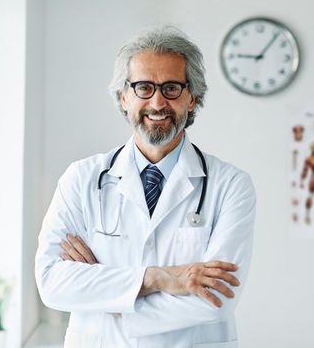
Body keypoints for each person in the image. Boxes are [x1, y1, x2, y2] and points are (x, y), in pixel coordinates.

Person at [35, 26, 256, 348]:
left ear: (192, 98)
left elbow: (216, 300)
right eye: (143, 87)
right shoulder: (81, 178)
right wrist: (159, 278)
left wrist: (105, 296)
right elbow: (52, 283)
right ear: (123, 97)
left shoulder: (231, 185)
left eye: (171, 88)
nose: (157, 102)